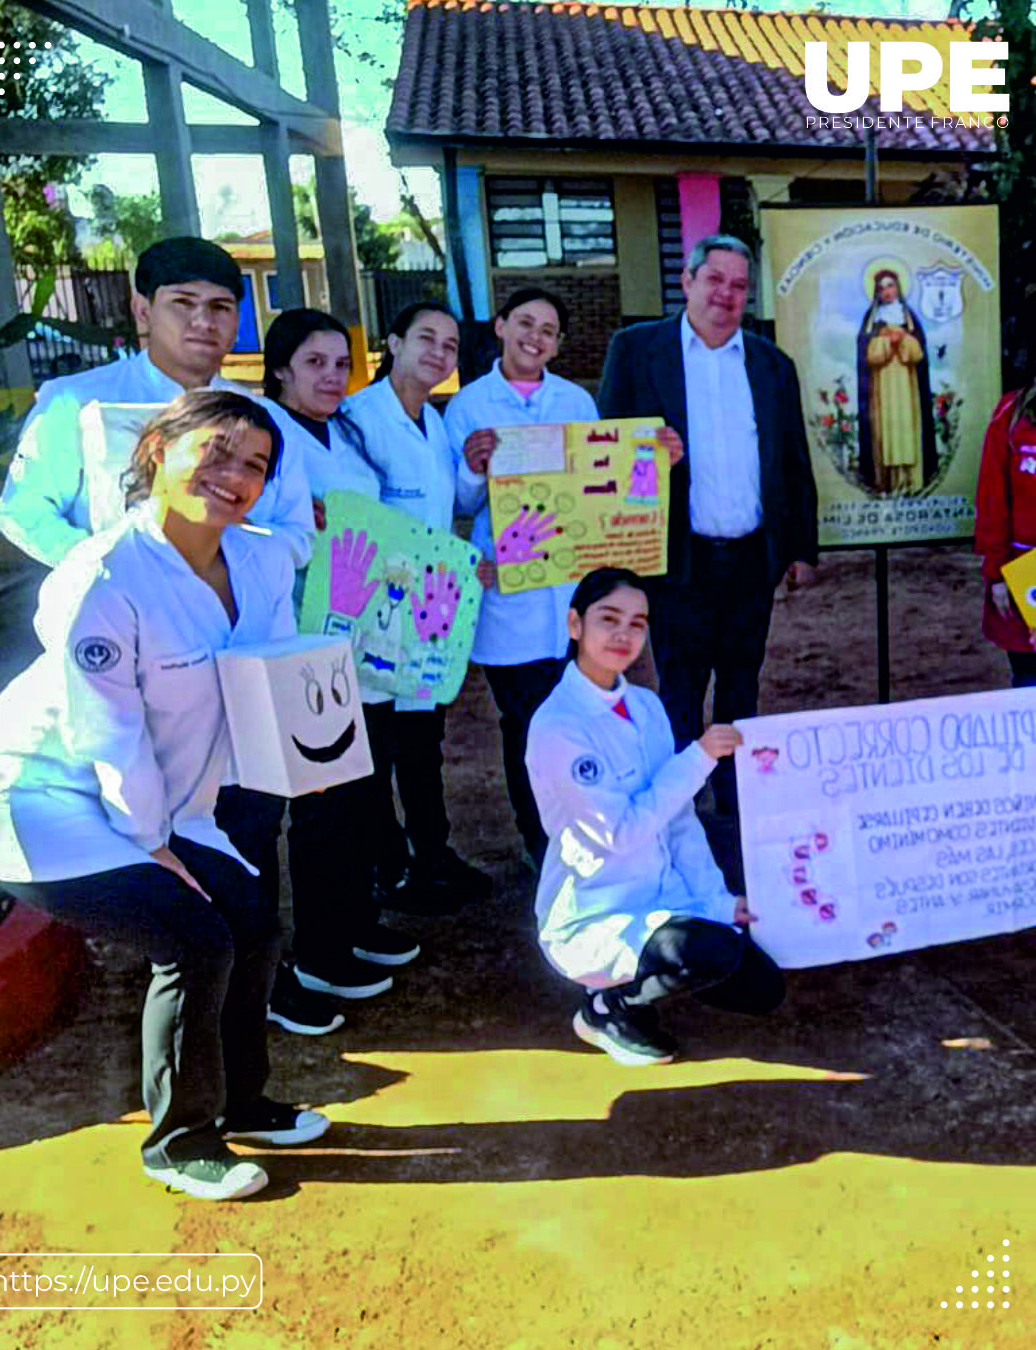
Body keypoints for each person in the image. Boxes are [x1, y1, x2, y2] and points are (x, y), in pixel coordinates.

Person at [0, 391, 327, 1201]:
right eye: (216, 451)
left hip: (163, 794)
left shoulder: (260, 559)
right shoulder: (101, 576)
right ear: (158, 448)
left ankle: (240, 1101)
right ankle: (179, 1141)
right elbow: (107, 732)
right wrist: (155, 842)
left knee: (254, 916)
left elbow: (261, 672)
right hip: (41, 797)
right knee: (194, 937)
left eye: (256, 466)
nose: (235, 476)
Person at [217, 309, 421, 1025]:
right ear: (279, 369)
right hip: (298, 645)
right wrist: (298, 523)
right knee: (318, 805)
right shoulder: (261, 435)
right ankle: (315, 954)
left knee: (361, 792)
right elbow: (234, 527)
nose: (332, 376)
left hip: (364, 639)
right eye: (315, 363)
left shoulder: (347, 432)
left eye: (342, 363)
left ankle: (353, 927)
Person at [445, 287, 683, 870]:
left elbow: (599, 483)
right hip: (512, 589)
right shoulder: (468, 406)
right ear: (500, 326)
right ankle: (540, 840)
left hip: (570, 591)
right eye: (525, 322)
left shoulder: (575, 399)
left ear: (557, 343)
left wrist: (656, 460)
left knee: (584, 713)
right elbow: (459, 499)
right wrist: (475, 468)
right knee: (525, 724)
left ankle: (595, 826)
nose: (535, 336)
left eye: (548, 330)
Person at [524, 568, 785, 1066]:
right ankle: (608, 1007)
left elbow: (680, 820)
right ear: (575, 624)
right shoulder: (558, 726)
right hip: (597, 911)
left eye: (638, 624)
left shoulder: (645, 706)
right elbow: (620, 834)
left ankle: (664, 969)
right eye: (609, 619)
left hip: (664, 899)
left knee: (762, 988)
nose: (624, 635)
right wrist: (698, 758)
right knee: (707, 953)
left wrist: (717, 902)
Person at [596, 234, 818, 818]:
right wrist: (644, 453)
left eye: (739, 285)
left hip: (752, 558)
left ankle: (736, 803)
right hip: (677, 559)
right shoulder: (637, 351)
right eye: (715, 279)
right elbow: (605, 451)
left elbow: (793, 459)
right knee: (681, 689)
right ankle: (679, 808)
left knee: (742, 685)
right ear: (687, 281)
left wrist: (800, 548)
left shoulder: (772, 364)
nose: (726, 294)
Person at [0, 236, 314, 569]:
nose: (203, 321)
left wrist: (224, 556)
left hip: (235, 612)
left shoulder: (268, 419)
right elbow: (23, 511)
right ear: (143, 311)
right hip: (115, 610)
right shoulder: (75, 401)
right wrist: (110, 567)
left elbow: (298, 535)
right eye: (183, 303)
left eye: (220, 307)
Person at [345, 302, 492, 907]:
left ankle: (433, 851)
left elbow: (453, 500)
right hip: (376, 610)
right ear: (394, 342)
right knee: (378, 747)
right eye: (426, 338)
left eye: (450, 345)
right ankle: (389, 863)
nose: (439, 352)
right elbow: (361, 513)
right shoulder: (359, 417)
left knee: (423, 741)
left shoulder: (434, 422)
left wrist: (479, 470)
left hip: (430, 611)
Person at [974, 378, 1036, 686]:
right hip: (1025, 573)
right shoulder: (1012, 413)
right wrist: (996, 574)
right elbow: (991, 499)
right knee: (1030, 681)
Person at [856, 268, 938, 494]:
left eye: (890, 285)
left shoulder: (908, 318)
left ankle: (911, 480)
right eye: (881, 288)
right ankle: (888, 481)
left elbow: (918, 354)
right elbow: (868, 356)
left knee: (907, 430)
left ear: (898, 287)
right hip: (882, 387)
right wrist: (885, 343)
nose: (887, 292)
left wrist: (903, 340)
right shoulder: (872, 320)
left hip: (906, 386)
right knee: (886, 432)